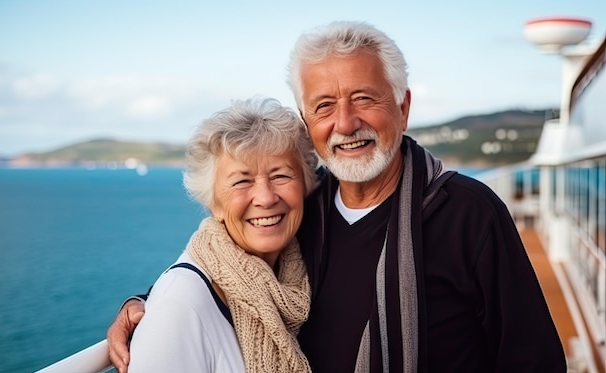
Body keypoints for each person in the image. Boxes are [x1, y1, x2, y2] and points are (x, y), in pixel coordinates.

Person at [108, 21, 566, 372]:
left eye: (364, 98)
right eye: (324, 105)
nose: (345, 123)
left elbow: (533, 359)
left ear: (403, 107)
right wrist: (143, 303)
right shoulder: (301, 208)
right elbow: (225, 259)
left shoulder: (469, 213)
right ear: (308, 124)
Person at [124, 97, 317, 372]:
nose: (265, 197)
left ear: (306, 186)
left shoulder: (301, 276)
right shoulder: (180, 305)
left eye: (280, 176)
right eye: (242, 181)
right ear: (214, 203)